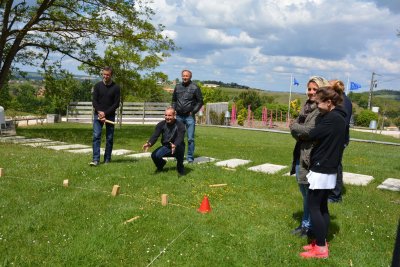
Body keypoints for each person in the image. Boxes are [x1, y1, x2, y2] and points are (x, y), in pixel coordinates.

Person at [297, 84, 347, 259]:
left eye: (319, 102)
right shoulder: (340, 117)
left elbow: (312, 134)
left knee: (314, 207)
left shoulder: (331, 118)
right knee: (322, 207)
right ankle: (321, 242)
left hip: (322, 167)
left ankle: (320, 248)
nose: (317, 106)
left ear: (328, 102)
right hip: (329, 168)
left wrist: (296, 126)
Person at [290, 76, 330, 237]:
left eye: (315, 89)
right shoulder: (306, 107)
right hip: (300, 152)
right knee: (304, 192)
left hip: (311, 156)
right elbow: (300, 132)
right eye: (309, 89)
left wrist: (294, 127)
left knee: (310, 195)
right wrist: (298, 130)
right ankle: (306, 224)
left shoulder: (320, 110)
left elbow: (309, 131)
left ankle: (308, 226)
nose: (311, 92)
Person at [89, 66, 121, 166]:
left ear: (111, 75)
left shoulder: (116, 87)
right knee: (96, 136)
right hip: (98, 115)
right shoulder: (97, 86)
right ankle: (96, 160)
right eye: (104, 74)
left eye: (108, 74)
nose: (105, 76)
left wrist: (105, 113)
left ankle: (107, 159)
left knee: (109, 138)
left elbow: (116, 104)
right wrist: (100, 112)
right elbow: (94, 101)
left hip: (110, 116)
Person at [328, 80, 353, 203]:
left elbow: (343, 123)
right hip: (337, 138)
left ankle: (335, 195)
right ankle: (330, 191)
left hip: (339, 138)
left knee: (336, 165)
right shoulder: (341, 99)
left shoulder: (343, 101)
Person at [142, 107, 186, 176]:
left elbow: (180, 137)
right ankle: (161, 165)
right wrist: (149, 143)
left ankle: (180, 168)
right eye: (166, 115)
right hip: (166, 147)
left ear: (174, 115)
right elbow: (155, 135)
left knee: (180, 152)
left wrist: (175, 144)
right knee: (154, 155)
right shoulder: (161, 124)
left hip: (178, 147)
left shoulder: (180, 125)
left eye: (169, 115)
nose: (167, 117)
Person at [172, 70, 203, 163]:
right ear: (182, 76)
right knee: (178, 137)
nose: (185, 77)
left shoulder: (195, 87)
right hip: (178, 116)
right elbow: (173, 100)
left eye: (187, 76)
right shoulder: (177, 87)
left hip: (189, 117)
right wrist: (174, 110)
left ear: (190, 77)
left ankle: (190, 157)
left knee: (190, 139)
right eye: (183, 76)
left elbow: (200, 101)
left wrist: (193, 111)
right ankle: (178, 156)